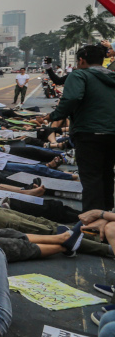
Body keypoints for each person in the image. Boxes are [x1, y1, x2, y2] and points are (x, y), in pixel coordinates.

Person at [46, 44, 115, 212]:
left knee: (91, 177)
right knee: (106, 173)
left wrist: (54, 116)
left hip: (89, 133)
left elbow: (72, 99)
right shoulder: (112, 76)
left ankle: (93, 222)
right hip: (112, 133)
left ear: (82, 60)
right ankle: (107, 214)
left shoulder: (79, 75)